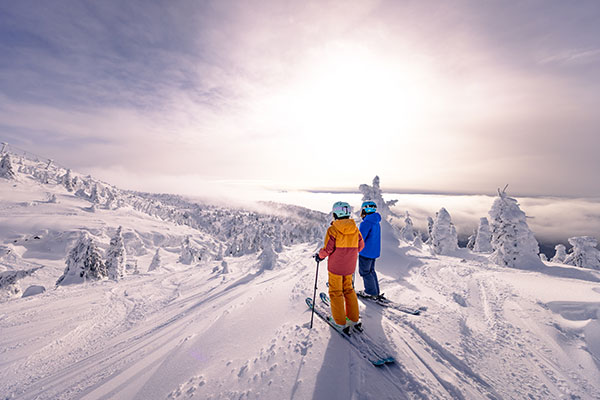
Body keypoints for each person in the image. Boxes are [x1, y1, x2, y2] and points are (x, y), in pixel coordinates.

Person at [315, 201, 364, 330]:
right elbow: (360, 246)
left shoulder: (333, 229)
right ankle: (353, 319)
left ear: (336, 213)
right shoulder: (355, 229)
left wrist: (320, 256)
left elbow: (328, 249)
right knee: (348, 290)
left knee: (336, 292)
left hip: (336, 268)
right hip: (349, 267)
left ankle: (340, 321)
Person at [358, 200, 383, 299]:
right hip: (373, 252)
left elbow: (360, 238)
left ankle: (370, 292)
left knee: (365, 272)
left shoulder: (366, 223)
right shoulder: (376, 221)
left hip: (366, 252)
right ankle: (375, 291)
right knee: (371, 271)